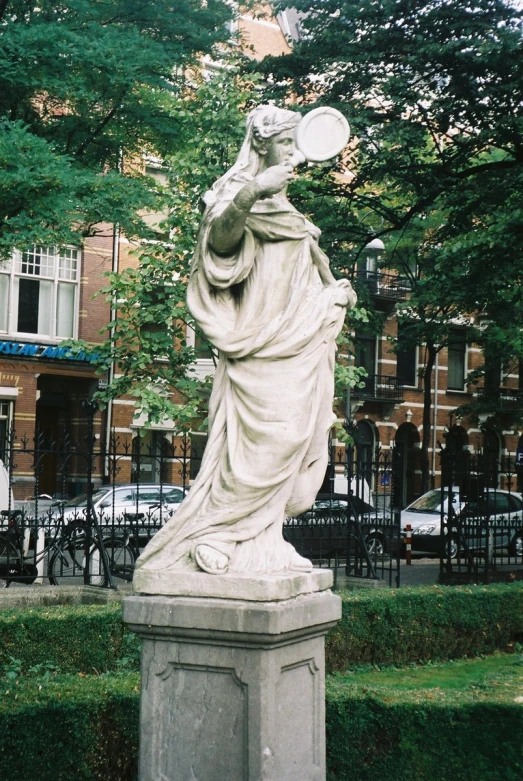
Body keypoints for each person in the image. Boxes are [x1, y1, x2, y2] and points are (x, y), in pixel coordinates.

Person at [134, 105, 357, 579]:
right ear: (262, 145)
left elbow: (309, 273)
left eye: (299, 146)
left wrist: (333, 296)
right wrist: (254, 191)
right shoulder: (237, 193)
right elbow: (218, 243)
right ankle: (215, 532)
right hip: (259, 346)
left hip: (297, 343)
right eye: (287, 145)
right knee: (264, 444)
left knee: (298, 439)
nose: (294, 156)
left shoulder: (291, 214)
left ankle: (264, 538)